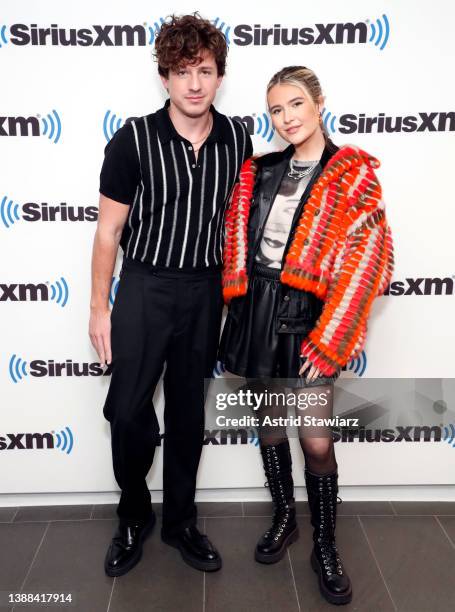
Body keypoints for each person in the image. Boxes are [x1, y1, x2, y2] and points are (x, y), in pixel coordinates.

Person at [219, 65, 394, 605]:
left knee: (316, 440)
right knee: (270, 430)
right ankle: (283, 520)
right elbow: (238, 247)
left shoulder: (352, 172)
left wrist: (332, 337)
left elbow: (370, 259)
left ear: (319, 103)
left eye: (295, 104)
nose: (287, 117)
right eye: (276, 109)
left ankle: (325, 544)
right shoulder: (260, 170)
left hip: (311, 317)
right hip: (255, 314)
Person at [89, 13, 252, 577]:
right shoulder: (133, 137)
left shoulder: (238, 137)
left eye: (204, 70)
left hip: (206, 290)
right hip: (144, 286)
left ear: (219, 76)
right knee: (128, 411)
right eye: (182, 72)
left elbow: (240, 223)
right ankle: (134, 513)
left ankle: (181, 520)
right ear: (164, 77)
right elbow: (108, 231)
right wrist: (98, 308)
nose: (194, 84)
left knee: (186, 413)